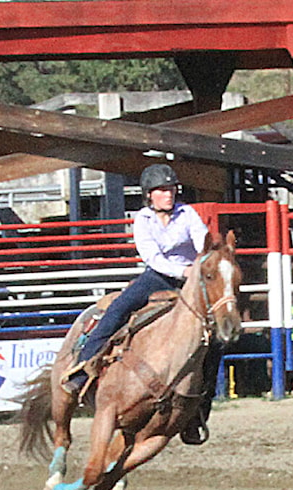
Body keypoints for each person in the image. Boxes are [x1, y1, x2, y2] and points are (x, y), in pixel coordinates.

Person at [61, 163, 218, 444]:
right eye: (161, 190)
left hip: (191, 280)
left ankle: (198, 410)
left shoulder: (188, 214)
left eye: (170, 189)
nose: (167, 194)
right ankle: (82, 369)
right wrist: (185, 272)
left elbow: (201, 242)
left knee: (215, 339)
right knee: (117, 310)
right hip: (158, 278)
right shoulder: (142, 219)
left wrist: (200, 266)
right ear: (149, 195)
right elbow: (152, 258)